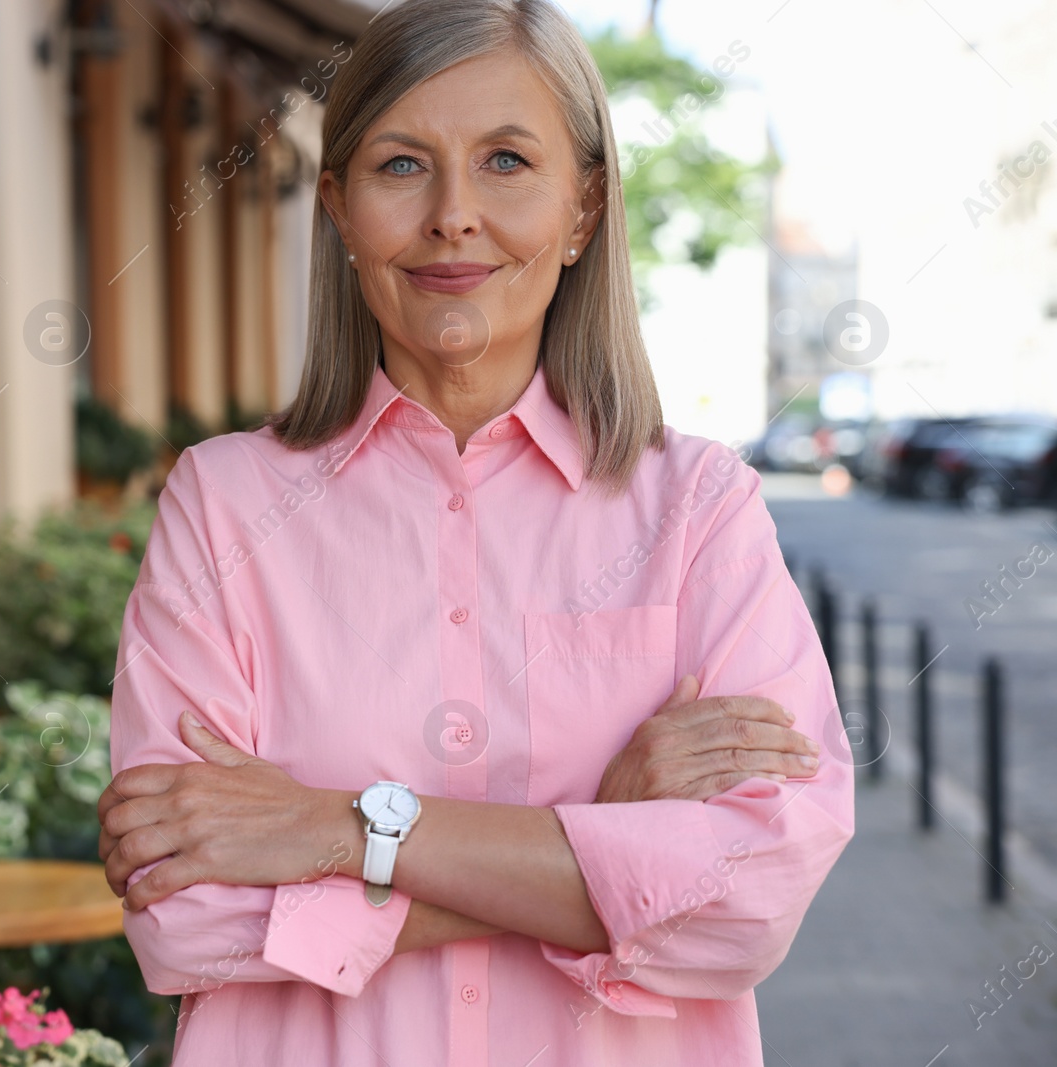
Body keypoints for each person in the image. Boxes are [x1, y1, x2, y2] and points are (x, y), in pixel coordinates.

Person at [96, 1, 855, 1063]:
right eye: (401, 166)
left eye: (506, 160)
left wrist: (339, 828)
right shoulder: (220, 505)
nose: (453, 214)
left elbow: (746, 897)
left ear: (583, 207)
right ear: (339, 209)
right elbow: (187, 919)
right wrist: (605, 838)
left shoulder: (696, 508)